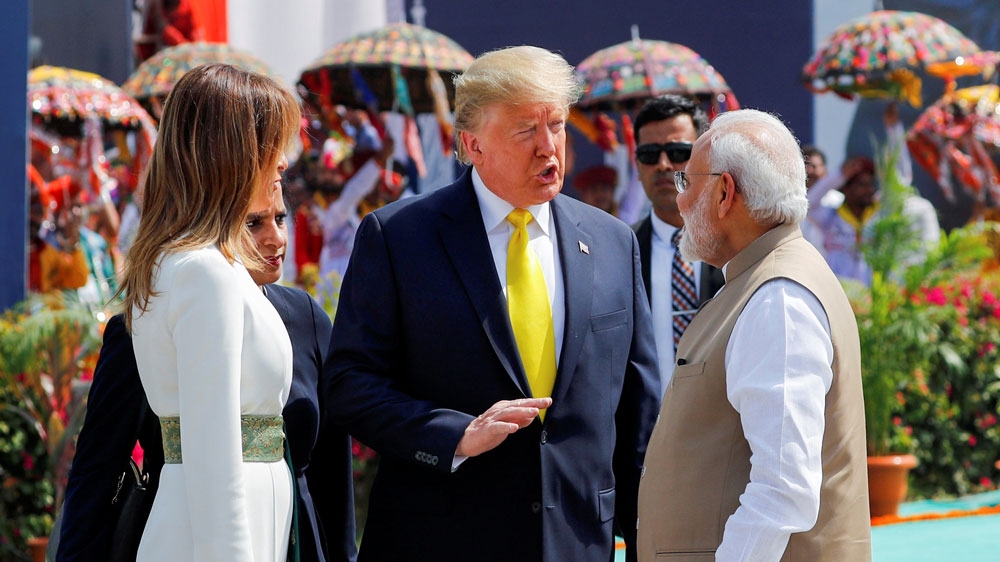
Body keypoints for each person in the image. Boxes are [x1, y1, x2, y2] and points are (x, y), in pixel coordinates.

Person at [323, 45, 660, 562]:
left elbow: (638, 411)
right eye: (526, 130)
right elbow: (350, 385)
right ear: (472, 144)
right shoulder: (399, 238)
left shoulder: (613, 241)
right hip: (442, 541)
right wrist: (455, 435)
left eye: (557, 125)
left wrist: (646, 543)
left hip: (577, 543)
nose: (548, 147)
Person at [57, 182, 358, 561]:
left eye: (281, 218)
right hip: (182, 540)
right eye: (254, 223)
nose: (275, 238)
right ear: (215, 226)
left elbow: (332, 474)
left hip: (294, 541)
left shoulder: (307, 319)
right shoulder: (146, 322)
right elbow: (97, 469)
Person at [636, 109, 871, 561]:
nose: (681, 201)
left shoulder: (777, 298)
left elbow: (783, 491)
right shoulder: (767, 281)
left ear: (724, 193)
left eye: (688, 181)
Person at [116, 63, 300, 561]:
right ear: (231, 155)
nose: (283, 162)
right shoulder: (204, 271)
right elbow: (212, 456)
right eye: (270, 144)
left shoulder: (198, 265)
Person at [631, 95, 725, 393]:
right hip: (647, 420)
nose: (663, 165)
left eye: (678, 152)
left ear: (704, 159)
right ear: (637, 165)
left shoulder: (737, 247)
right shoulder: (617, 250)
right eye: (649, 154)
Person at [807, 103, 940, 285]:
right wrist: (840, 175)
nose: (869, 190)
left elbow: (901, 178)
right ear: (845, 188)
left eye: (871, 184)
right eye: (861, 185)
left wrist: (894, 129)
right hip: (838, 295)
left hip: (873, 297)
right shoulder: (831, 217)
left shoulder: (881, 214)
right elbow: (809, 203)